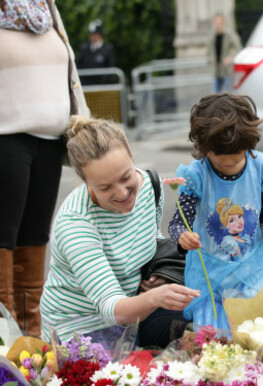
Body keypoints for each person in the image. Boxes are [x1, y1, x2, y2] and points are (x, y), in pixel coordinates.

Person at [40, 116, 200, 347]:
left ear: (132, 158)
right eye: (105, 187)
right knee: (133, 375)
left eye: (126, 177)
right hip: (81, 327)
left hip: (134, 312)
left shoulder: (150, 187)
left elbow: (150, 237)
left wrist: (160, 274)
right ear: (85, 182)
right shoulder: (75, 224)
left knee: (205, 326)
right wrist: (155, 297)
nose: (123, 193)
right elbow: (111, 308)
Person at [168, 93, 263, 329]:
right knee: (212, 334)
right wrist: (182, 236)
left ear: (249, 144)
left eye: (236, 156)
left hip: (253, 270)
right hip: (210, 275)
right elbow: (178, 223)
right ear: (203, 147)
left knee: (255, 331)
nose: (228, 163)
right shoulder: (195, 176)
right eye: (219, 158)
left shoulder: (260, 167)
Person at [0, 0, 89, 338]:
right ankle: (3, 348)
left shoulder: (44, 6)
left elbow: (70, 74)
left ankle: (29, 345)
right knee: (3, 239)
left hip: (50, 140)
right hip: (5, 136)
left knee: (35, 239)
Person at [207, 13, 242, 93]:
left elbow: (238, 48)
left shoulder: (229, 35)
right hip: (216, 70)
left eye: (219, 23)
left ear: (223, 23)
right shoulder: (212, 37)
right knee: (215, 97)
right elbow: (208, 52)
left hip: (227, 70)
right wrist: (210, 61)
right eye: (216, 23)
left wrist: (231, 57)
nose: (217, 25)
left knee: (228, 95)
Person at [76, 19, 115, 85]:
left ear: (100, 35)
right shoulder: (84, 49)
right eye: (91, 34)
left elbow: (111, 67)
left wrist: (104, 81)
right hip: (86, 86)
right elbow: (79, 65)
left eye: (94, 34)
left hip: (102, 87)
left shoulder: (107, 50)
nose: (92, 37)